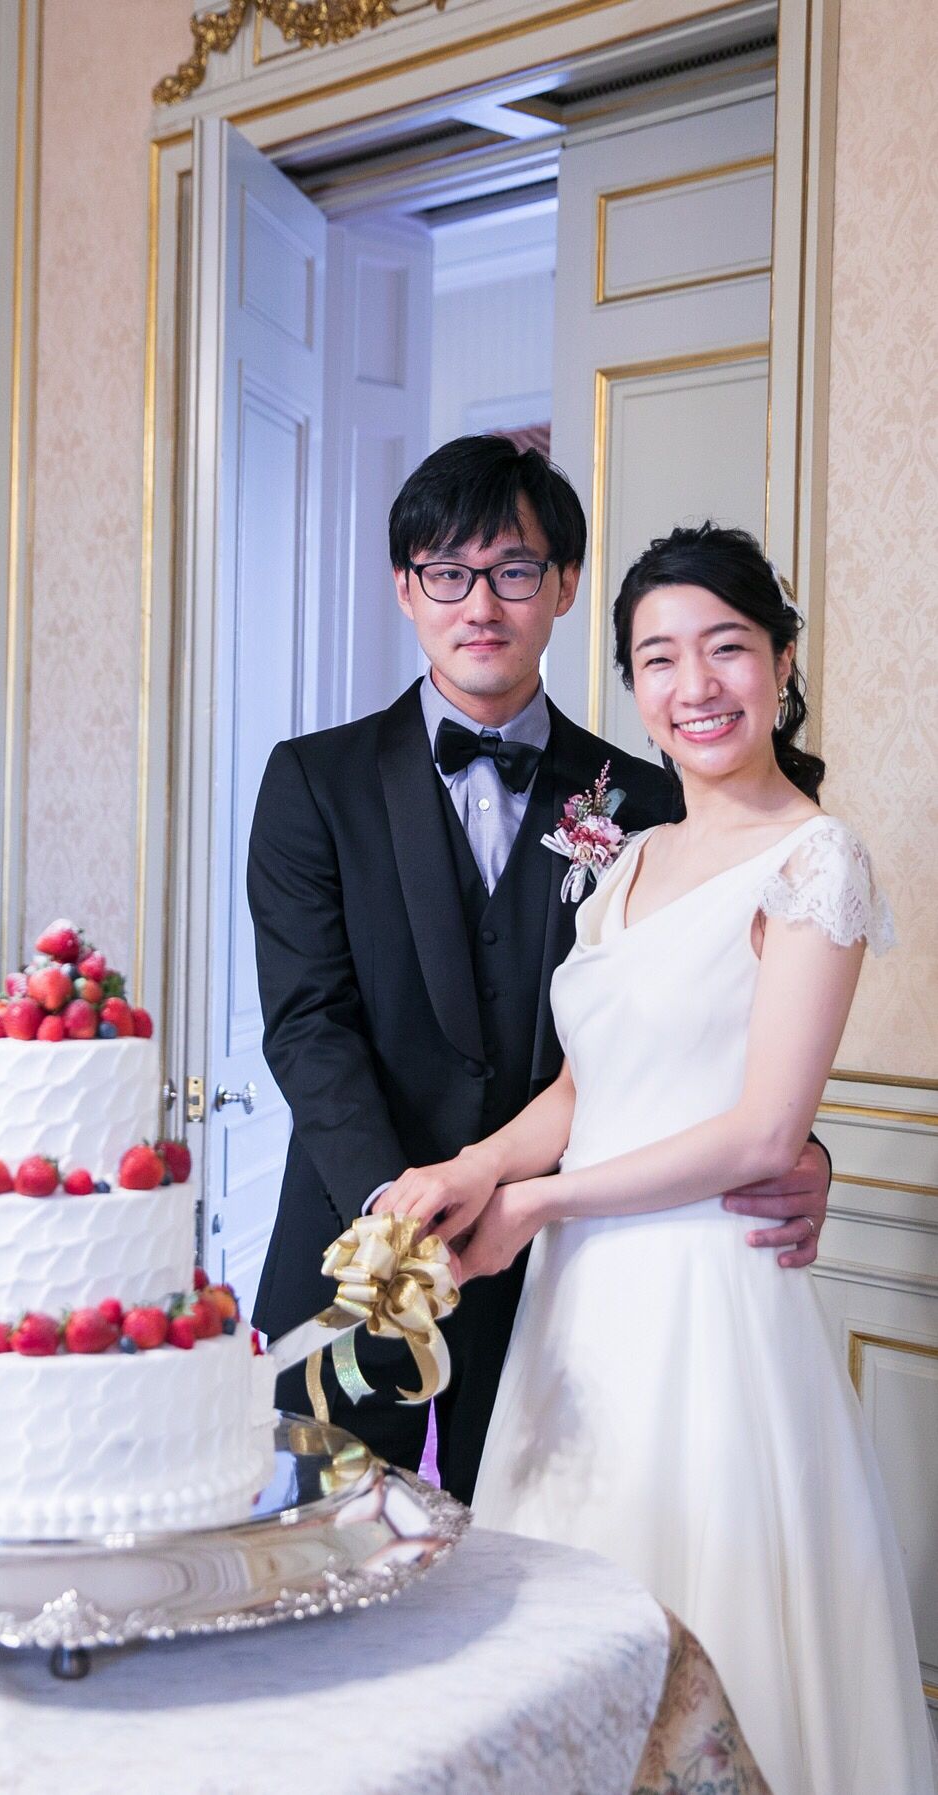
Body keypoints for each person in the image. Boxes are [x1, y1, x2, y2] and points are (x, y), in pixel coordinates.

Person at [378, 522, 937, 1794]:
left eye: (725, 648)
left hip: (707, 1304)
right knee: (564, 1646)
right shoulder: (628, 853)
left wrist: (535, 1201)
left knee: (703, 1630)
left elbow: (760, 1132)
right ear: (631, 682)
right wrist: (474, 1170)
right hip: (579, 1309)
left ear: (780, 662)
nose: (695, 685)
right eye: (658, 658)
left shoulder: (815, 858)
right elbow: (587, 1086)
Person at [248, 436, 831, 1506]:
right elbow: (306, 1023)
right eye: (447, 572)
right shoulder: (312, 782)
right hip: (352, 1245)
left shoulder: (647, 797)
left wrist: (799, 1149)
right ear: (404, 588)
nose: (481, 604)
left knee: (535, 1577)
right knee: (315, 1564)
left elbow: (700, 1012)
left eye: (513, 570)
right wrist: (395, 1214)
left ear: (562, 586)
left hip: (565, 1268)